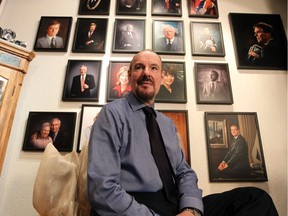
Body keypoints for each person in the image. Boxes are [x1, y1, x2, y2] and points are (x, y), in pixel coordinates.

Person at [88, 49, 278, 216]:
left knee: (255, 198)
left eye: (154, 68)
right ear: (130, 75)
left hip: (176, 204)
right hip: (138, 204)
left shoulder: (167, 124)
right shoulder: (112, 114)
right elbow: (102, 188)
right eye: (139, 67)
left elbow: (184, 173)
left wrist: (191, 209)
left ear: (161, 78)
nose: (146, 73)